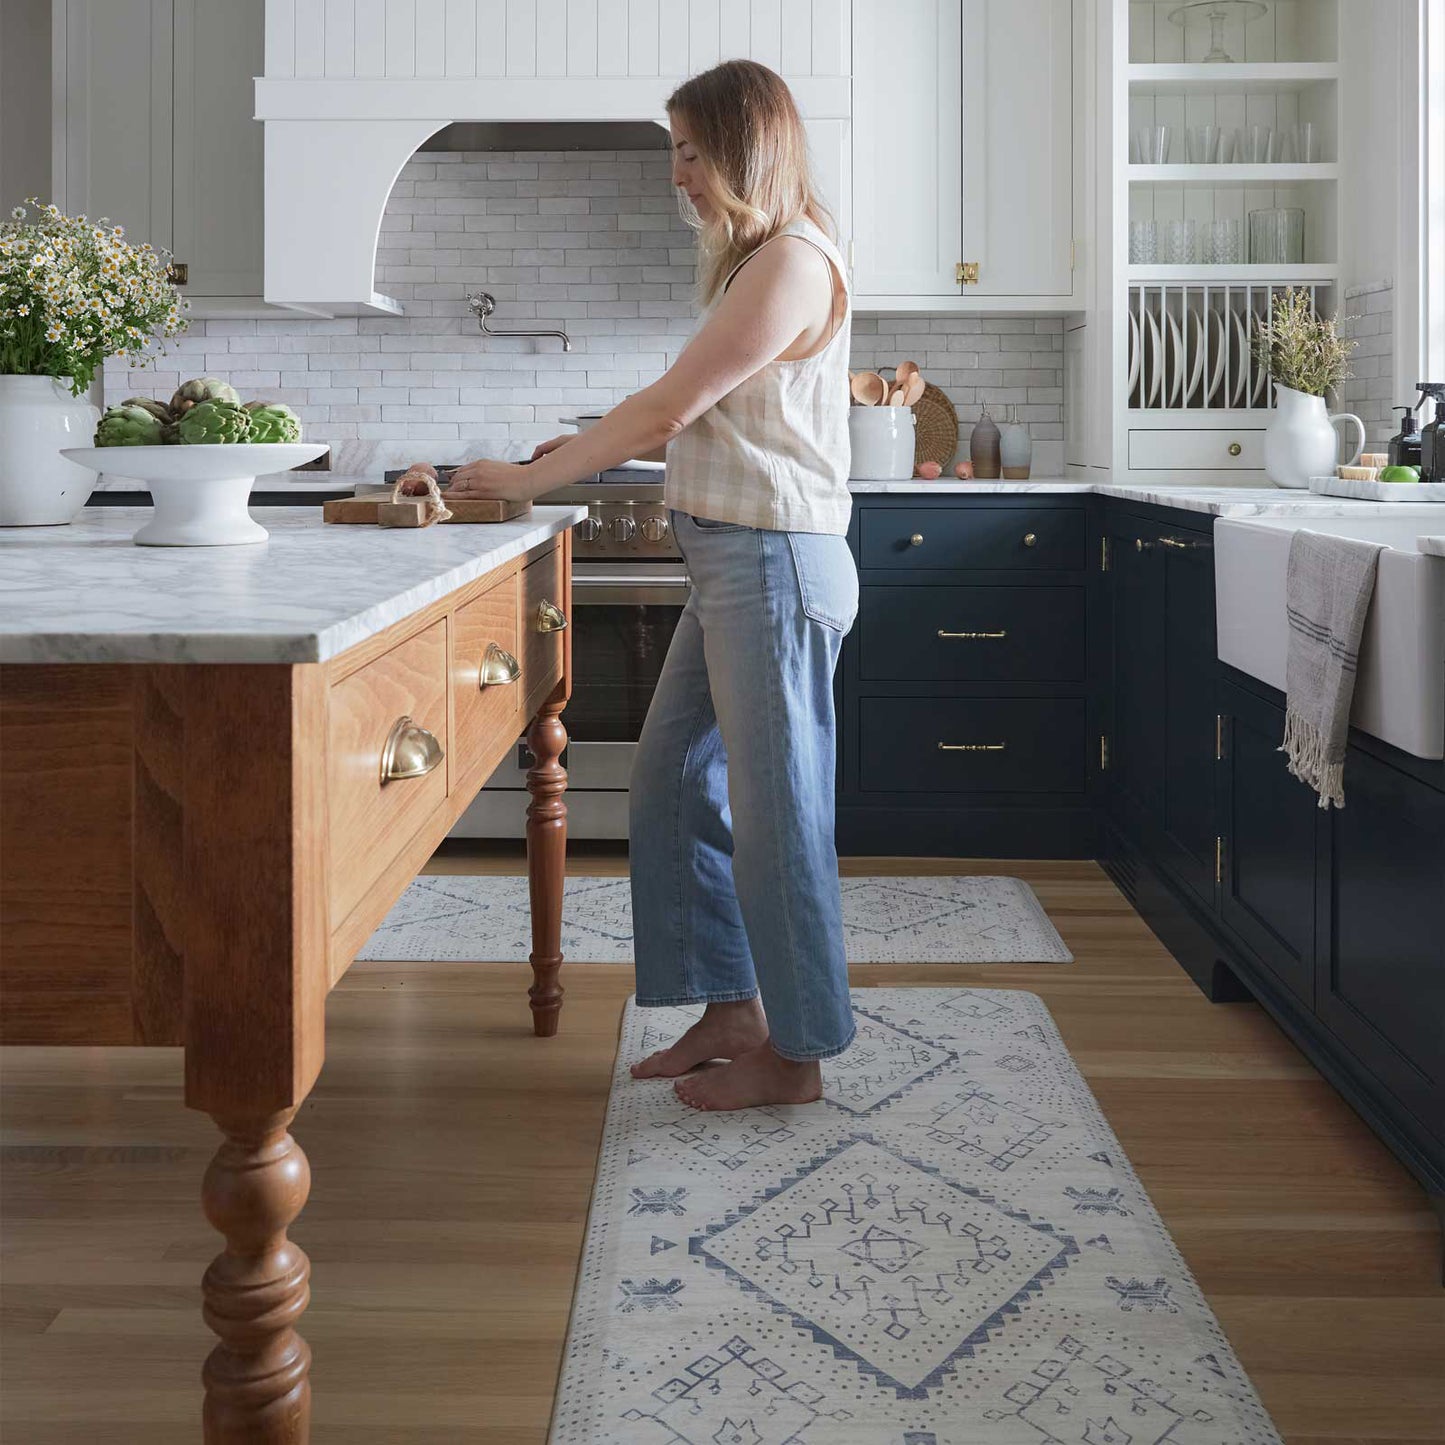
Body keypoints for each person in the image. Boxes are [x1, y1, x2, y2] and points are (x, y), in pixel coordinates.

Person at [438, 59, 857, 1111]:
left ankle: (797, 1054)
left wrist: (529, 478)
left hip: (773, 564)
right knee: (669, 780)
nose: (676, 174)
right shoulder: (754, 263)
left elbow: (672, 404)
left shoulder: (791, 261)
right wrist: (582, 450)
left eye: (689, 151)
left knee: (777, 815)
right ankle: (730, 1008)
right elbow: (715, 418)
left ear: (744, 148)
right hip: (733, 563)